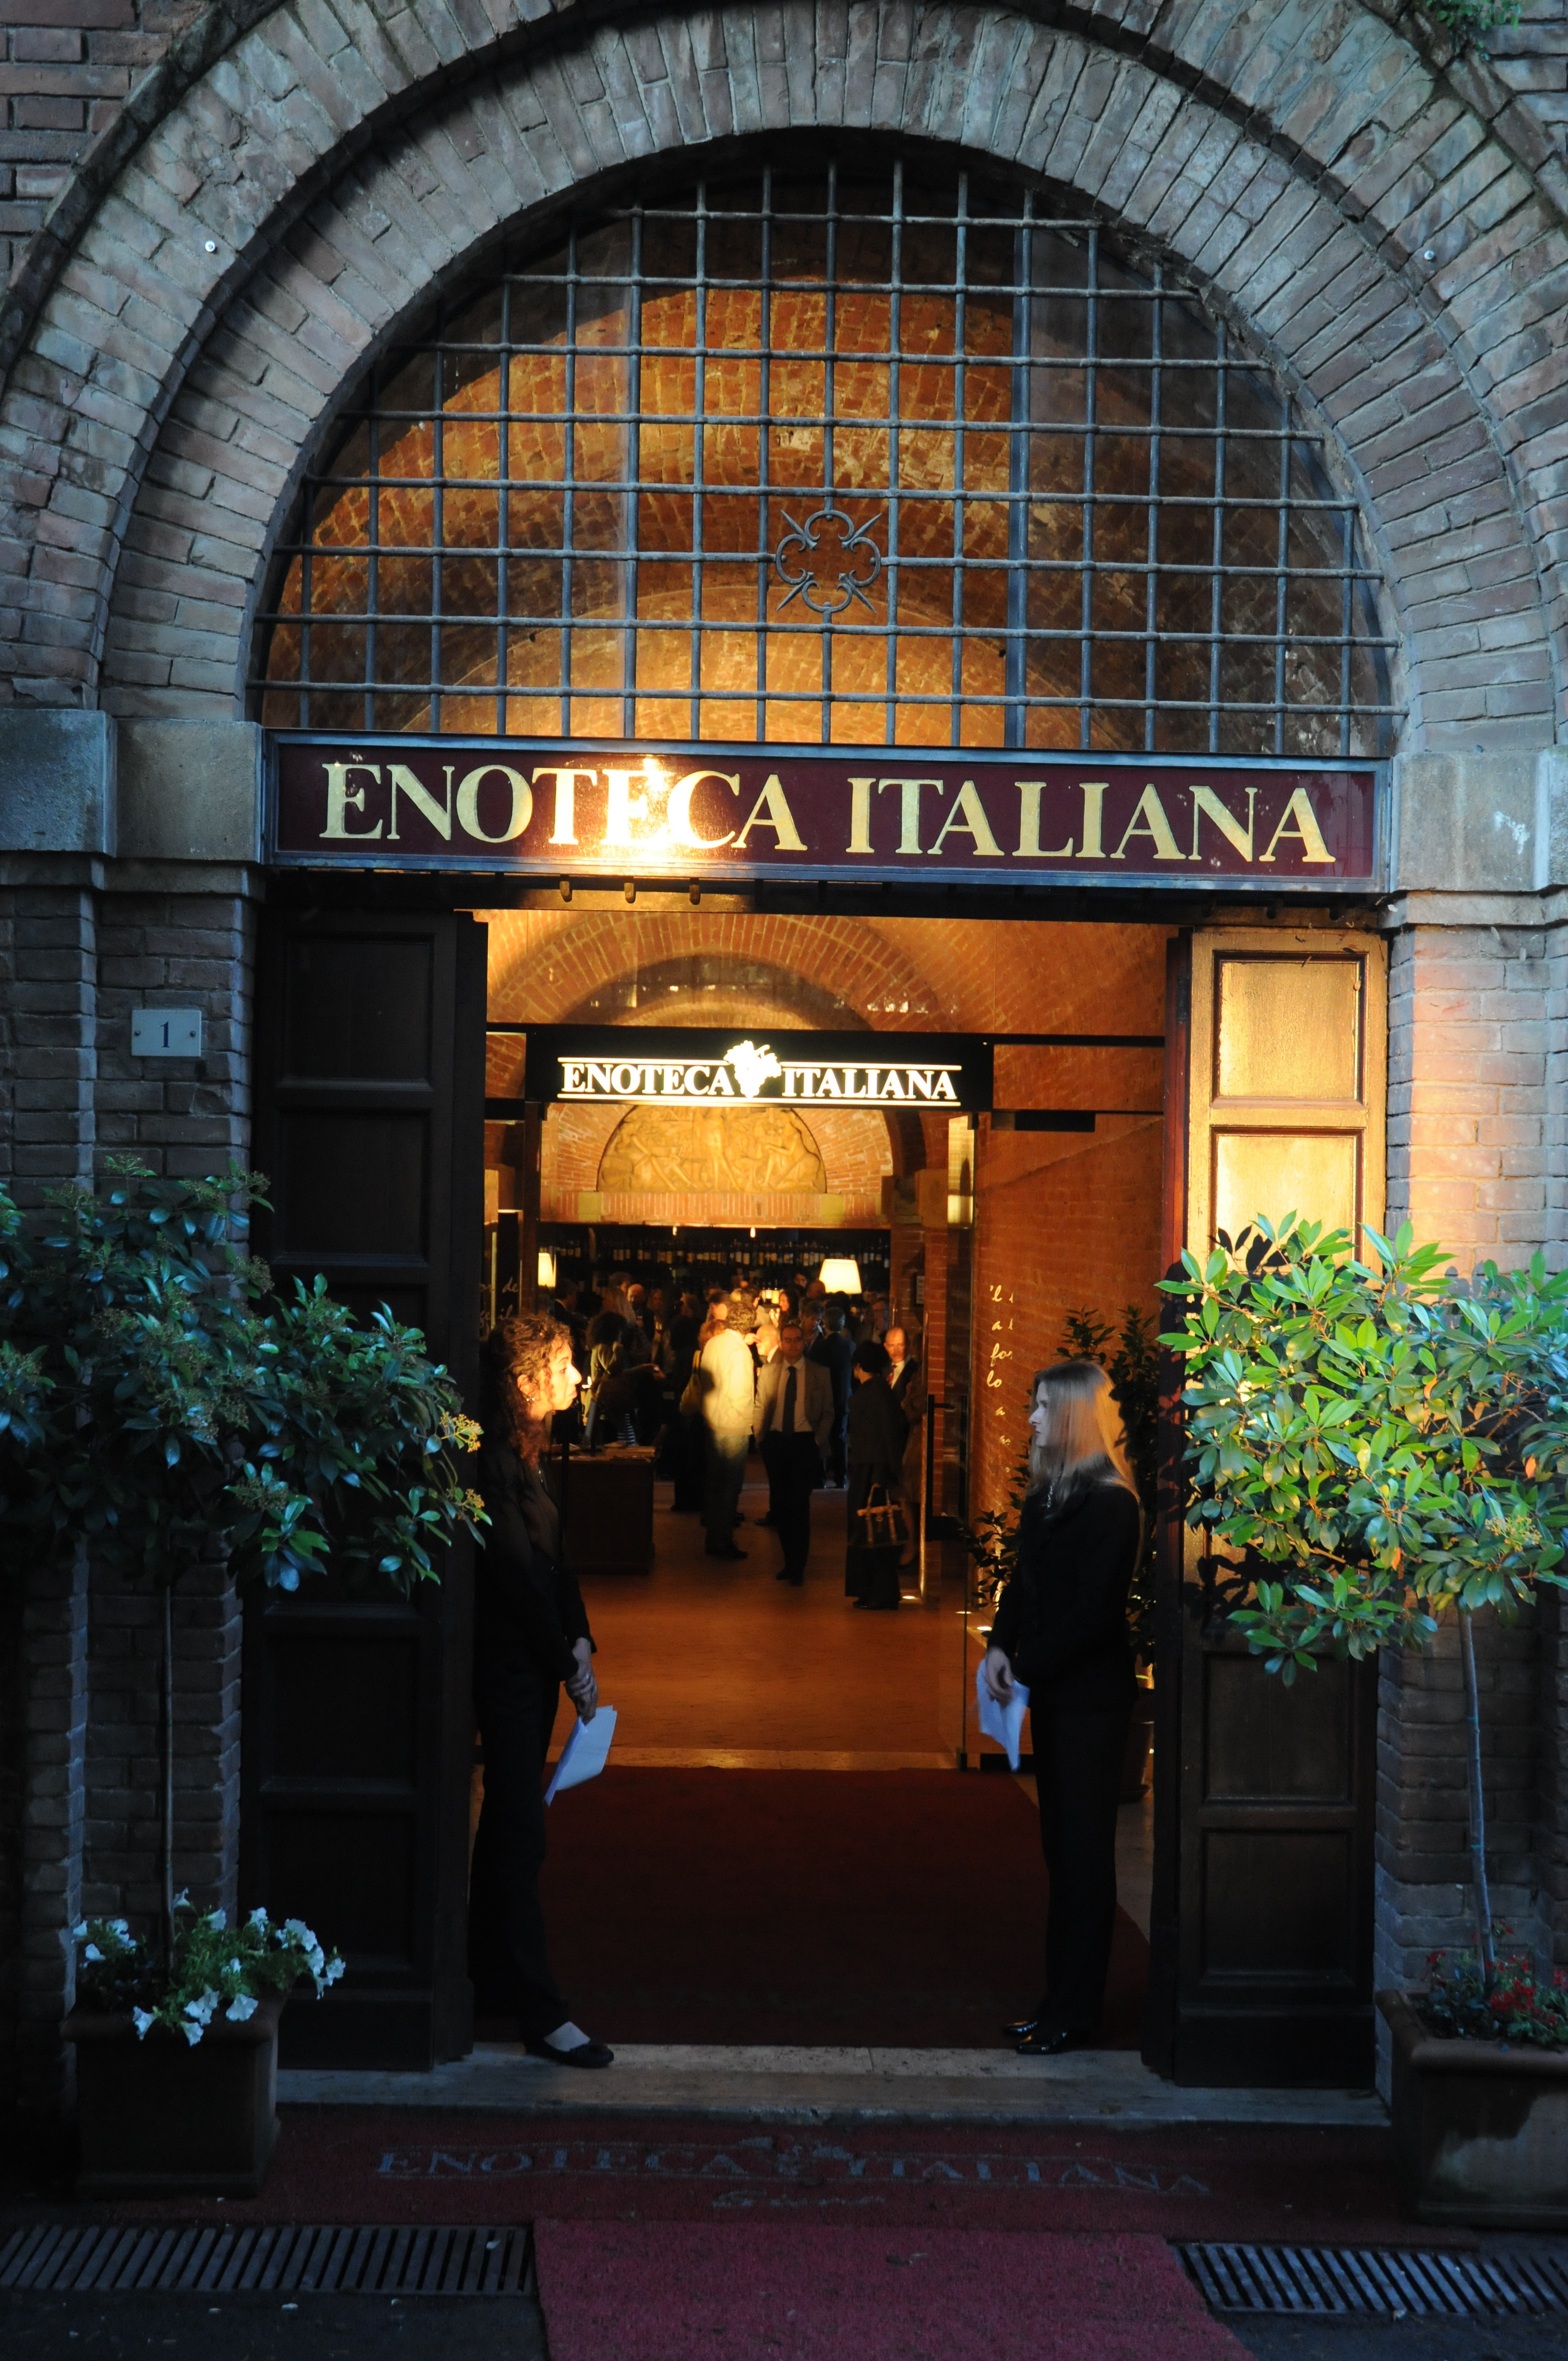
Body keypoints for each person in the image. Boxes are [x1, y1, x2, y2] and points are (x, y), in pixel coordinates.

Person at [982, 1360, 1142, 2058]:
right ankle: (1056, 2002)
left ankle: (1075, 2014)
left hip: (1093, 1706)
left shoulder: (1112, 1504)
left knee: (1083, 1859)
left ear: (1074, 1415)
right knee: (1061, 1855)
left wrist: (1024, 1665)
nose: (1032, 1418)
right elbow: (1025, 1584)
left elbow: (1093, 1615)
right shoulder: (1049, 1493)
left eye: (1044, 1406)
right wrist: (999, 1644)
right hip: (1055, 1696)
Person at [468, 1312, 613, 2069]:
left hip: (536, 1667)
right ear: (526, 1383)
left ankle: (485, 1978)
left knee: (506, 1827)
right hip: (509, 1671)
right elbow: (517, 1578)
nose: (577, 1376)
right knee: (521, 1834)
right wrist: (566, 1658)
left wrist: (580, 1639)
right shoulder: (493, 1463)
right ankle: (539, 2011)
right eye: (563, 1364)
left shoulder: (527, 1455)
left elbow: (557, 1563)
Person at [754, 1316, 833, 1584]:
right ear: (781, 1343)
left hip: (804, 1442)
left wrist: (818, 1440)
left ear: (804, 1342)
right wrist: (761, 1438)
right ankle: (789, 1561)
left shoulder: (819, 1373)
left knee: (799, 1505)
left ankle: (798, 1566)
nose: (792, 1345)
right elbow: (761, 1405)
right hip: (776, 1442)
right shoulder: (769, 1371)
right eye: (787, 1340)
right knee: (781, 1506)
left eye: (797, 1340)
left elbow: (829, 1412)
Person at [844, 1337, 908, 1609]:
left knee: (870, 1532)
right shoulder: (883, 1392)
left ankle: (876, 1592)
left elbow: (882, 1437)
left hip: (870, 1472)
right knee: (876, 1532)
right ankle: (875, 1591)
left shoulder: (870, 1394)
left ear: (859, 1367)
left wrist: (882, 1476)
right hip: (875, 1470)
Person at [698, 1298, 756, 1558]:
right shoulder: (740, 1351)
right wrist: (752, 1421)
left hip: (712, 1420)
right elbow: (740, 1394)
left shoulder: (714, 1343)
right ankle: (722, 1540)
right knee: (730, 1486)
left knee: (715, 1483)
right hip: (733, 1425)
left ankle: (714, 1537)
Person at [885, 1325, 923, 1569]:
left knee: (907, 1496)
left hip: (907, 1438)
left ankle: (911, 1546)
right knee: (899, 1496)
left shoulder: (915, 1372)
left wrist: (905, 1401)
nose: (896, 1350)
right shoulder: (885, 1370)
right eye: (892, 1345)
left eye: (901, 1345)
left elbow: (914, 1410)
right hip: (893, 1442)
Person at [810, 1301, 855, 1487]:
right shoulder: (850, 1346)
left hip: (824, 1398)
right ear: (842, 1324)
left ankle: (820, 1478)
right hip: (844, 1397)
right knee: (840, 1437)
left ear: (825, 1324)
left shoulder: (819, 1347)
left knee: (822, 1437)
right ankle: (841, 1478)